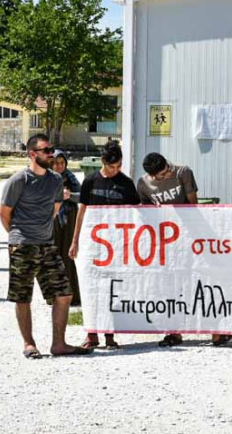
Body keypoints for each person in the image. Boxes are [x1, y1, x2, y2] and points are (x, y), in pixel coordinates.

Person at [0, 134, 90, 358]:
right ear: (33, 154)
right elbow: (4, 214)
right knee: (23, 296)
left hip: (46, 244)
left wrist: (42, 230)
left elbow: (56, 207)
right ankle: (29, 344)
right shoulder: (19, 180)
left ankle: (58, 344)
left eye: (51, 150)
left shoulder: (56, 180)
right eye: (46, 151)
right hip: (23, 244)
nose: (51, 154)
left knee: (64, 293)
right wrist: (18, 236)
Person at [70, 140, 139, 350]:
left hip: (117, 245)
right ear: (103, 162)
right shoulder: (90, 181)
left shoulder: (126, 183)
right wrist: (75, 240)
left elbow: (136, 214)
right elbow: (81, 211)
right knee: (90, 288)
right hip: (92, 244)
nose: (115, 170)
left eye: (119, 166)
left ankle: (110, 335)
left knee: (113, 288)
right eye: (112, 167)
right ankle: (92, 334)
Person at [137, 152, 200, 348]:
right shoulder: (143, 184)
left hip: (186, 236)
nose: (167, 175)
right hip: (164, 241)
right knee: (167, 285)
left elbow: (193, 205)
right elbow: (144, 210)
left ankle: (210, 329)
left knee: (194, 281)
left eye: (167, 170)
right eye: (162, 175)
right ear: (153, 177)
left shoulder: (183, 172)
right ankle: (173, 330)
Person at [51, 150, 81, 306]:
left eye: (62, 163)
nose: (59, 166)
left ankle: (71, 295)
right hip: (52, 219)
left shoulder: (70, 177)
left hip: (69, 218)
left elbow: (82, 195)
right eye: (56, 162)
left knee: (68, 256)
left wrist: (70, 196)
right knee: (53, 255)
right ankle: (54, 295)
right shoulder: (46, 177)